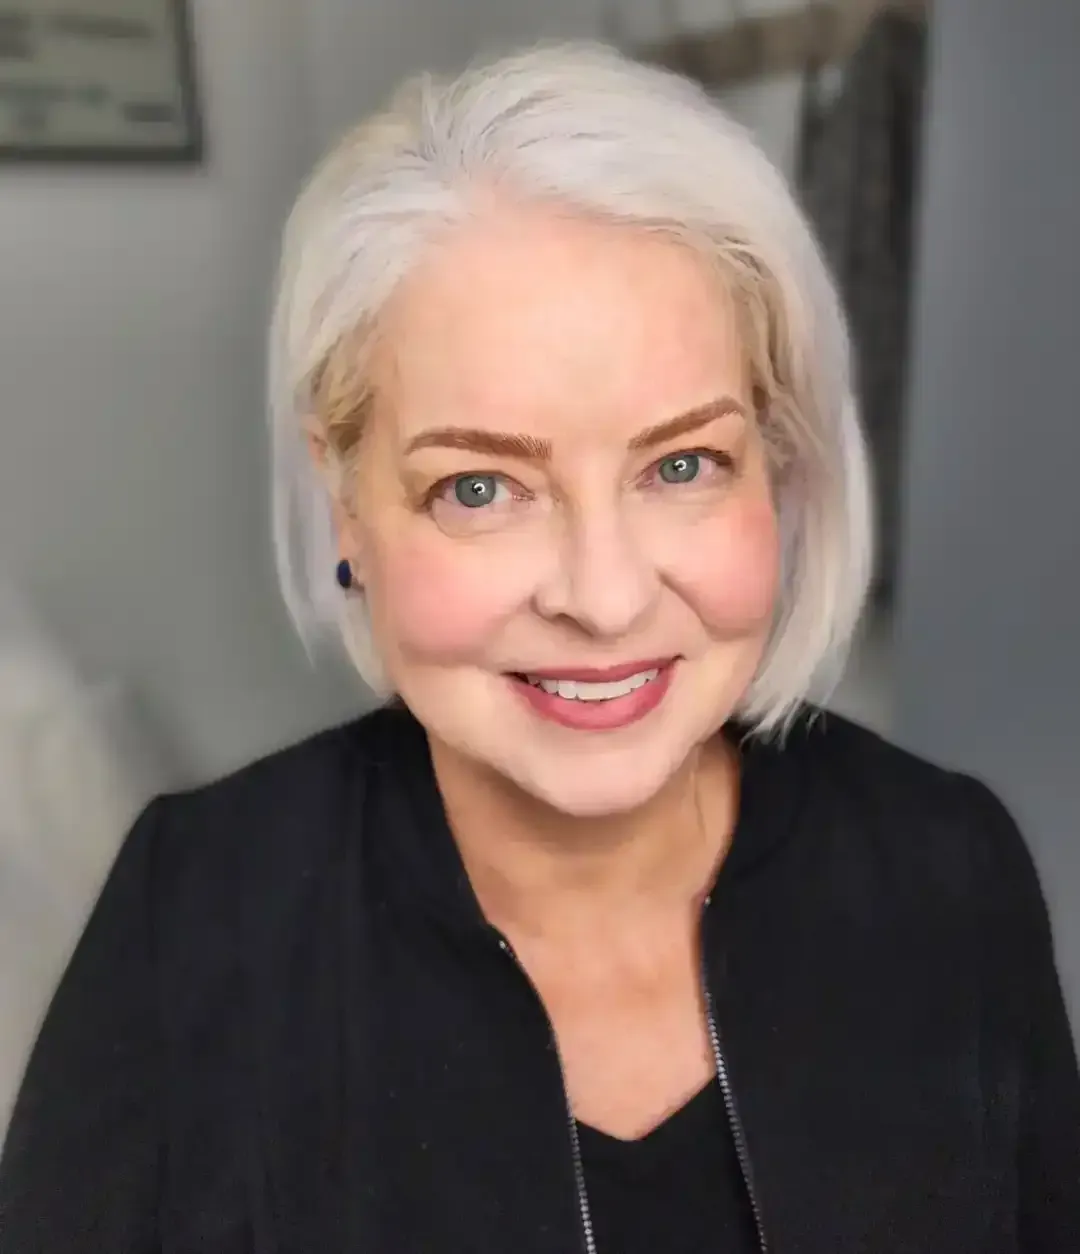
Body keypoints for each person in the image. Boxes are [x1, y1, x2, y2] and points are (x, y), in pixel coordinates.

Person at [1, 42, 1077, 1254]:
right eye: (480, 488)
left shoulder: (950, 873)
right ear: (346, 502)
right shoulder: (190, 921)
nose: (606, 599)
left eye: (682, 465)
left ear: (777, 467)